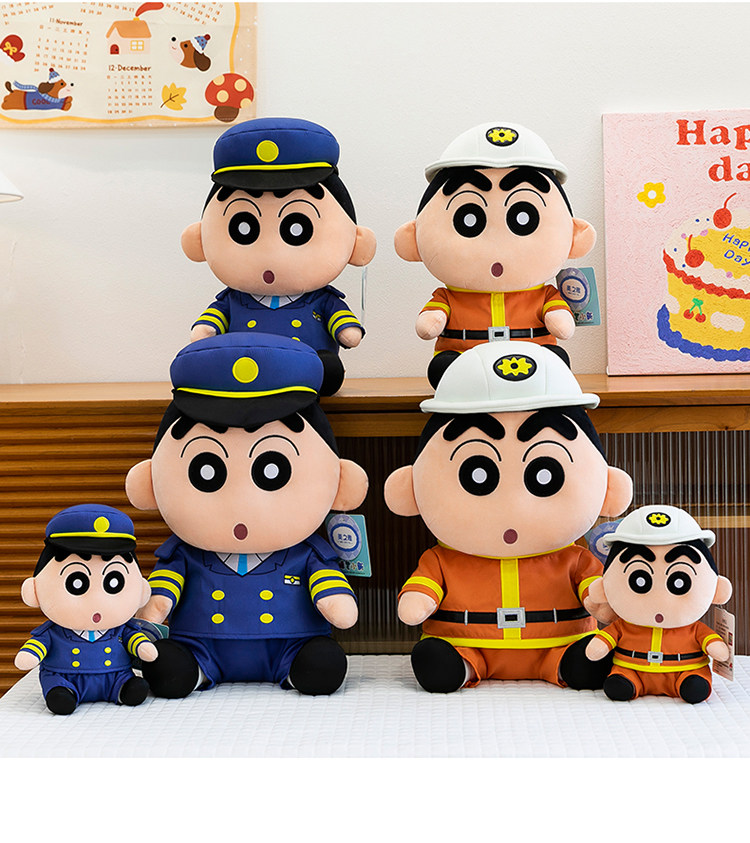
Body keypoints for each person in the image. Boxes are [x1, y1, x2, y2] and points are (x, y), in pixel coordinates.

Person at [126, 332, 368, 697]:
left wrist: (336, 602)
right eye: (206, 471)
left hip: (291, 644)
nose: (242, 501)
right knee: (169, 671)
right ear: (149, 484)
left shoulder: (307, 554)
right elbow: (164, 592)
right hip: (201, 644)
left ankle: (297, 670)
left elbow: (329, 589)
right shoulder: (184, 554)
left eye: (273, 471)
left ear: (340, 482)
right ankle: (194, 672)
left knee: (321, 665)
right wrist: (154, 608)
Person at [384, 341, 632, 692]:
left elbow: (594, 591)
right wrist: (418, 599)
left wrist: (601, 598)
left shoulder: (575, 560)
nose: (515, 505)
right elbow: (422, 591)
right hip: (466, 643)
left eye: (545, 475)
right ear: (409, 489)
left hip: (557, 643)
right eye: (477, 474)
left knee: (585, 661)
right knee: (439, 662)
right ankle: (462, 667)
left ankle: (565, 665)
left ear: (609, 488)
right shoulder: (441, 561)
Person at [184, 117, 376, 395]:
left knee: (327, 368)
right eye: (243, 228)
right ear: (198, 241)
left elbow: (347, 331)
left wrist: (348, 330)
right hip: (244, 373)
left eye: (298, 229)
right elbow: (208, 327)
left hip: (307, 371)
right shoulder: (233, 300)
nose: (271, 252)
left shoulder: (322, 300)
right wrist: (205, 330)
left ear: (356, 243)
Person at [394, 122, 595, 387]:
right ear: (413, 239)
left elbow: (561, 325)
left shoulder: (545, 295)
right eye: (468, 219)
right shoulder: (447, 297)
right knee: (442, 368)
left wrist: (558, 317)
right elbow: (429, 325)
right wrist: (433, 321)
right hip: (463, 362)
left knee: (556, 361)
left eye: (524, 218)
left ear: (575, 236)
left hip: (534, 360)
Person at [14, 504, 157, 715]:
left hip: (115, 676)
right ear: (33, 590)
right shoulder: (52, 632)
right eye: (76, 583)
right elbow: (38, 646)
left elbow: (133, 639)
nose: (97, 600)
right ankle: (63, 693)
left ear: (143, 591)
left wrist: (142, 645)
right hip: (64, 677)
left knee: (132, 687)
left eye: (114, 582)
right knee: (58, 691)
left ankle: (123, 690)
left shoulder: (122, 629)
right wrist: (30, 654)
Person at [585, 505, 732, 703]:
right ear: (603, 588)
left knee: (695, 687)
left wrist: (716, 646)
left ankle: (690, 683)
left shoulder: (694, 630)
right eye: (639, 580)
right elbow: (600, 645)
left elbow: (711, 643)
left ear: (717, 590)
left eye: (679, 581)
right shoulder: (622, 627)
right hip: (632, 669)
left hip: (685, 670)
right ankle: (627, 682)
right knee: (618, 686)